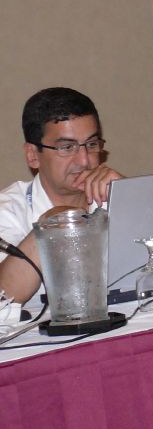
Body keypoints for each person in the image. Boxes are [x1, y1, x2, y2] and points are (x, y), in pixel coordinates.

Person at [0, 88, 124, 305]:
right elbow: (4, 297)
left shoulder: (113, 191)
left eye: (92, 144)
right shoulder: (8, 211)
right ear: (32, 155)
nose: (85, 161)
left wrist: (129, 196)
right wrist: (51, 226)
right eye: (67, 147)